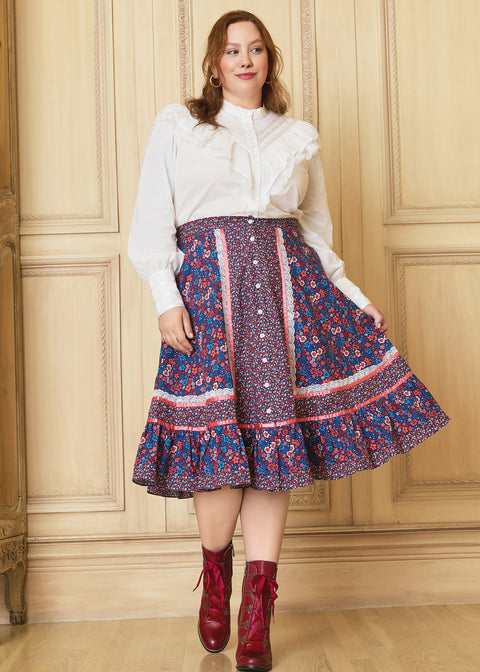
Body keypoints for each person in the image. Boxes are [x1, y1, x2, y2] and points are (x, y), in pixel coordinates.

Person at [128, 10, 449, 672]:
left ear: (268, 59)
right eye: (231, 50)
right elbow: (152, 222)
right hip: (208, 300)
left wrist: (352, 296)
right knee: (219, 452)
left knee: (273, 449)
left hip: (287, 297)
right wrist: (166, 299)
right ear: (214, 64)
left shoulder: (296, 138)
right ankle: (215, 575)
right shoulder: (179, 126)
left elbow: (315, 233)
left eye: (255, 49)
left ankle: (257, 613)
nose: (245, 60)